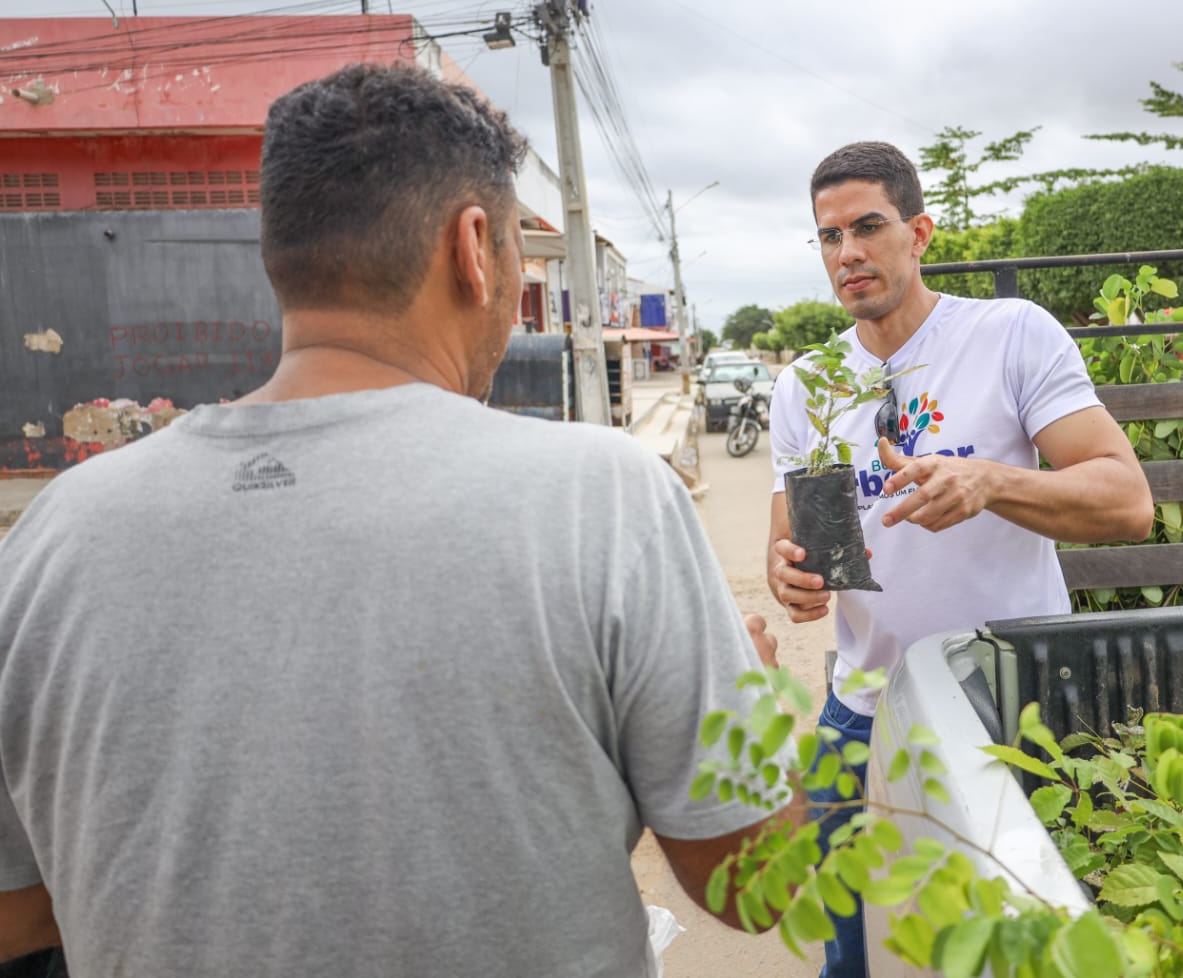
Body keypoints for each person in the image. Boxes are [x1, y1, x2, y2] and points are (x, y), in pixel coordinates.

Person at [0, 64, 792, 977]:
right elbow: (754, 885)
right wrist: (756, 711)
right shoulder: (601, 498)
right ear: (473, 246)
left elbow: (21, 917)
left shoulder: (54, 534)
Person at [766, 141, 1154, 976]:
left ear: (920, 232)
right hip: (863, 717)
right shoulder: (807, 383)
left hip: (1012, 706)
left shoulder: (1008, 334)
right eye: (828, 237)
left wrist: (991, 481)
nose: (848, 254)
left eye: (867, 227)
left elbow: (1128, 501)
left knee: (1017, 954)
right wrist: (790, 578)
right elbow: (790, 545)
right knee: (856, 963)